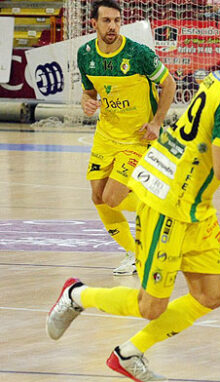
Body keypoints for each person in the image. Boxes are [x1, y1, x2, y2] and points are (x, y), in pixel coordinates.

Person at [46, 23, 220, 382]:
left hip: (194, 206)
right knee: (150, 307)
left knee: (209, 295)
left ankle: (129, 354)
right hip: (167, 202)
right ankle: (77, 295)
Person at [78, 0, 177, 276]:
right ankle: (135, 254)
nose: (113, 26)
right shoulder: (85, 55)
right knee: (97, 197)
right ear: (94, 23)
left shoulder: (138, 54)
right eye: (107, 21)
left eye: (117, 21)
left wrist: (157, 122)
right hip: (106, 136)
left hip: (137, 138)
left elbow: (169, 84)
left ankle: (163, 209)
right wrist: (86, 102)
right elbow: (90, 93)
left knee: (112, 197)